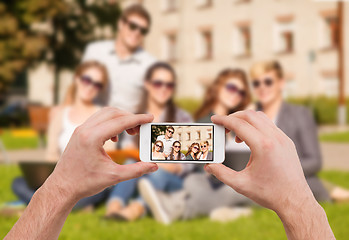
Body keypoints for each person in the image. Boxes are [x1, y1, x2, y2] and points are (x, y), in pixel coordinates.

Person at [4, 109, 335, 240]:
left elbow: (187, 159)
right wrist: (300, 206)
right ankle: (128, 207)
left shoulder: (182, 115)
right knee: (148, 175)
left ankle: (131, 207)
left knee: (159, 177)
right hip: (147, 170)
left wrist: (58, 189)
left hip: (179, 174)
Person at [140, 69, 253, 224]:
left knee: (241, 190)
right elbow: (196, 165)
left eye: (241, 92)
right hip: (208, 181)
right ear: (218, 88)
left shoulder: (239, 126)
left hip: (235, 182)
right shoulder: (204, 124)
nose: (236, 94)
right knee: (196, 183)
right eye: (232, 88)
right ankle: (228, 209)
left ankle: (175, 206)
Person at [8, 61, 111, 213]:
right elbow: (51, 154)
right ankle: (67, 206)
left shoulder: (103, 115)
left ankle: (40, 206)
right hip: (61, 179)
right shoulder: (60, 114)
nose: (90, 87)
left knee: (102, 189)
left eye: (97, 84)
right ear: (77, 79)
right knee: (17, 183)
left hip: (88, 181)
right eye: (87, 80)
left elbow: (110, 156)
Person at [250, 60, 349, 202]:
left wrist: (278, 172)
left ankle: (332, 191)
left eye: (268, 82)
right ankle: (334, 191)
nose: (262, 87)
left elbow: (314, 161)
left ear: (281, 83)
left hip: (292, 180)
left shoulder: (300, 115)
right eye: (256, 83)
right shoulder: (250, 116)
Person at [104, 62, 193, 221]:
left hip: (170, 180)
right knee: (131, 162)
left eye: (169, 85)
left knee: (157, 172)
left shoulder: (182, 118)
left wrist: (171, 166)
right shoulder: (136, 118)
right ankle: (113, 208)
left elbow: (190, 162)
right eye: (158, 83)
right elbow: (127, 150)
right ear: (148, 84)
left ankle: (134, 210)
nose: (163, 88)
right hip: (139, 174)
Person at [82, 4, 156, 111]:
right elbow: (76, 89)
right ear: (121, 24)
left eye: (143, 30)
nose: (137, 32)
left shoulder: (150, 65)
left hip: (128, 126)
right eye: (133, 26)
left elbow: (153, 107)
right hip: (90, 123)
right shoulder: (94, 51)